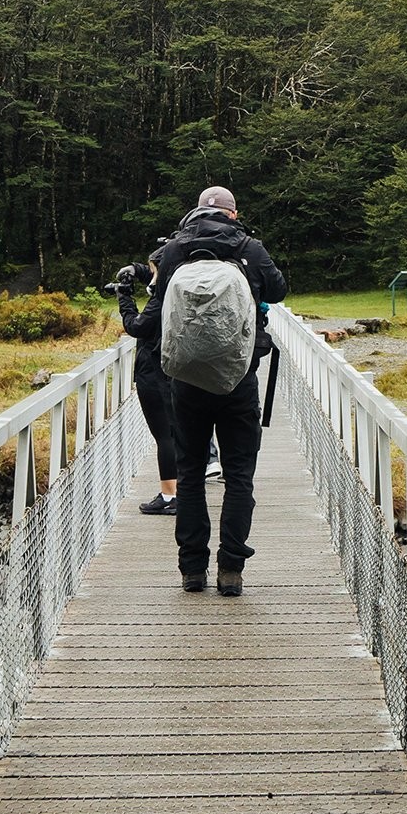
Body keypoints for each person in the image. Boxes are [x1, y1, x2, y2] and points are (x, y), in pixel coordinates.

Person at [139, 185, 286, 597]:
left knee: (189, 476)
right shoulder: (250, 247)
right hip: (238, 378)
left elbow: (155, 308)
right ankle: (231, 571)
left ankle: (191, 570)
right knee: (239, 477)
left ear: (195, 213)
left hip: (184, 380)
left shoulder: (173, 251)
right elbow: (277, 291)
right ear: (233, 214)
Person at [113, 259, 184, 515]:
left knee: (164, 436)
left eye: (152, 271)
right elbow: (159, 267)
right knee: (177, 433)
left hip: (154, 373)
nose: (150, 277)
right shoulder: (178, 291)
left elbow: (137, 327)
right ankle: (182, 491)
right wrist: (136, 270)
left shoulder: (160, 299)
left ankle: (169, 495)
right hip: (176, 369)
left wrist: (124, 300)